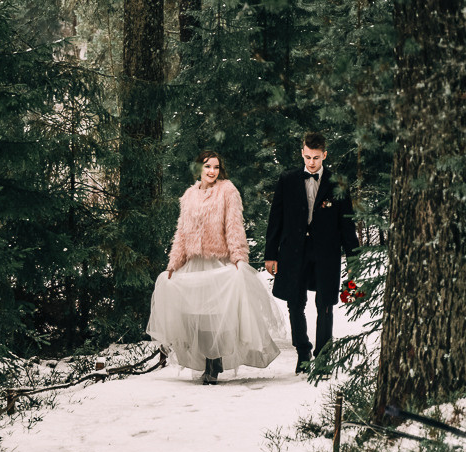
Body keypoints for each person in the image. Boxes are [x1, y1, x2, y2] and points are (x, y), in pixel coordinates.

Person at [147, 150, 282, 384]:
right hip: (194, 262)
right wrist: (173, 264)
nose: (212, 171)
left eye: (216, 167)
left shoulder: (227, 191)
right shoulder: (189, 195)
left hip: (218, 262)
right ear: (198, 168)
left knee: (215, 315)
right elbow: (182, 232)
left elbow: (234, 227)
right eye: (208, 166)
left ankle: (214, 362)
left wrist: (239, 258)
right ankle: (207, 360)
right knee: (196, 314)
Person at [264, 132, 360, 374]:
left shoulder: (337, 183)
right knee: (295, 303)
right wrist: (270, 254)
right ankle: (303, 352)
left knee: (325, 303)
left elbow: (347, 223)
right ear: (302, 153)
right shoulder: (287, 180)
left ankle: (323, 356)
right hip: (293, 251)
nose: (311, 162)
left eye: (316, 158)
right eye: (307, 157)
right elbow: (275, 219)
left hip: (326, 252)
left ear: (324, 155)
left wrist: (353, 258)